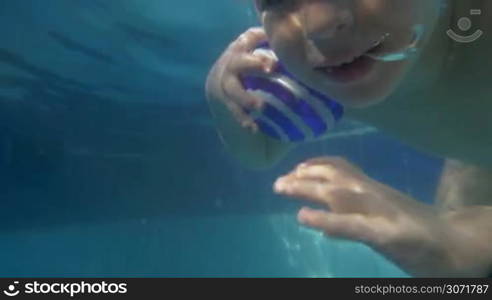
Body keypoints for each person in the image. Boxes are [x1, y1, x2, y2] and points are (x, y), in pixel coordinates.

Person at [205, 0, 492, 277]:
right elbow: (261, 150)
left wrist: (470, 240)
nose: (320, 24)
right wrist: (222, 96)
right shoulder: (321, 69)